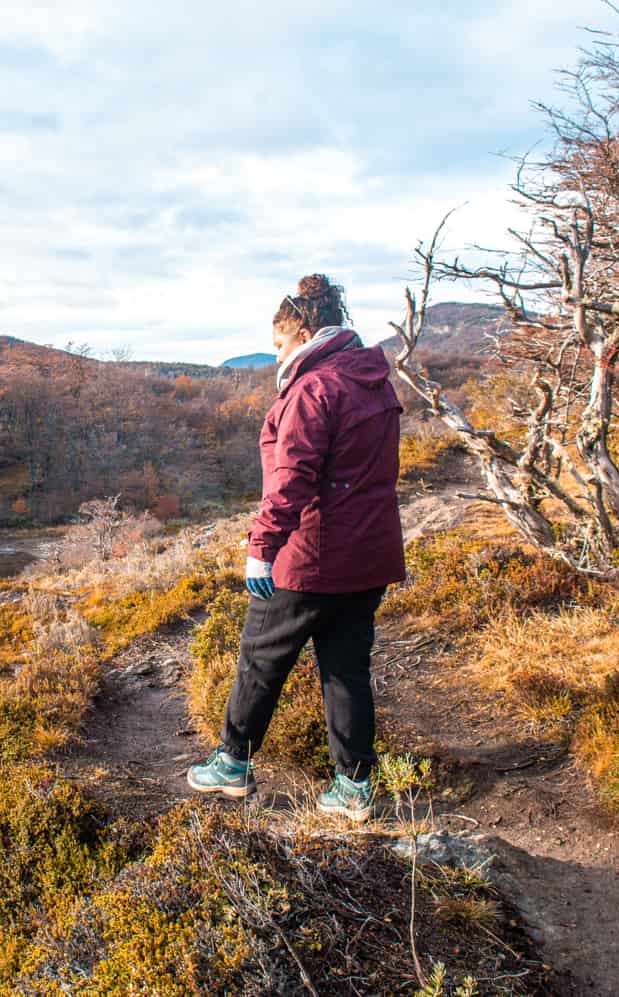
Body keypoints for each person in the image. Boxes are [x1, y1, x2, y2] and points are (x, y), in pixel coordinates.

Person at [187, 274, 405, 822]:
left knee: (261, 658)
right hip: (368, 554)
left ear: (305, 333)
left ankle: (233, 762)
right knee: (346, 667)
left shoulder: (313, 389)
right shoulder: (372, 380)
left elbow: (292, 480)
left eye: (281, 343)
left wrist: (262, 546)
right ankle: (353, 786)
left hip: (309, 556)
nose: (277, 354)